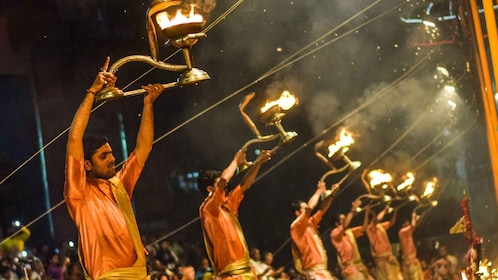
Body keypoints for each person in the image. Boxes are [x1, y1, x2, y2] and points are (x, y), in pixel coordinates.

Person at [64, 57, 164, 279]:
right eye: (104, 156)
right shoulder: (78, 194)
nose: (112, 159)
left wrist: (148, 105)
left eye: (110, 153)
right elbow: (74, 138)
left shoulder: (119, 187)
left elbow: (143, 148)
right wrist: (92, 92)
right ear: (87, 164)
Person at [197, 148, 272, 279]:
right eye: (218, 184)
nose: (225, 188)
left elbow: (245, 184)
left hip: (246, 273)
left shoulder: (227, 204)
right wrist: (236, 161)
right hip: (232, 275)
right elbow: (224, 181)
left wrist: (258, 162)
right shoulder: (208, 208)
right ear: (209, 189)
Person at [289, 181, 338, 280]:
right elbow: (310, 208)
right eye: (303, 208)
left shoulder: (310, 223)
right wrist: (319, 191)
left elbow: (322, 209)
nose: (307, 209)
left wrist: (332, 194)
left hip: (322, 271)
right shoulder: (296, 227)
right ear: (297, 213)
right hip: (315, 272)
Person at [330, 200, 371, 280]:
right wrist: (352, 210)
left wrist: (366, 213)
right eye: (343, 220)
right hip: (350, 269)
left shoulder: (349, 232)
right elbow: (344, 226)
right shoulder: (334, 233)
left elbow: (363, 229)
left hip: (359, 266)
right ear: (336, 224)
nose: (346, 221)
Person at [362, 203, 403, 280]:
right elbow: (377, 219)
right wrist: (384, 210)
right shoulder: (369, 229)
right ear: (371, 219)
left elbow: (391, 223)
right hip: (381, 259)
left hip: (389, 256)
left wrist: (395, 212)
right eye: (374, 217)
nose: (375, 218)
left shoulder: (380, 226)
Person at [398, 210, 428, 280]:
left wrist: (421, 217)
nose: (408, 223)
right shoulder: (402, 232)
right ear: (403, 224)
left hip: (413, 259)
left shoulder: (407, 232)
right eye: (407, 222)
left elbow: (414, 226)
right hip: (409, 260)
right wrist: (413, 217)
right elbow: (413, 225)